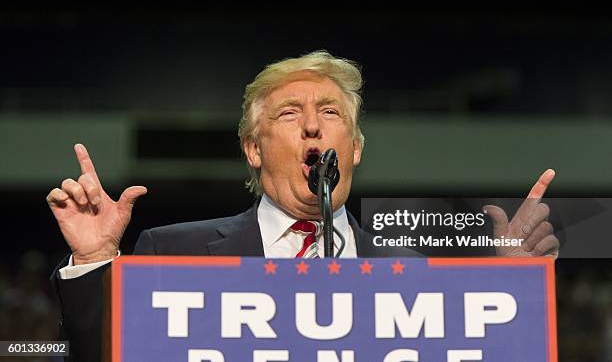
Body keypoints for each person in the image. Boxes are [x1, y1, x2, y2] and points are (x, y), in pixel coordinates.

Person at [47, 51, 559, 361]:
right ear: (254, 149)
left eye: (331, 112)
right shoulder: (173, 252)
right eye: (290, 113)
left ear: (354, 148)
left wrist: (513, 295)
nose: (313, 126)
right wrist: (96, 262)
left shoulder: (417, 277)